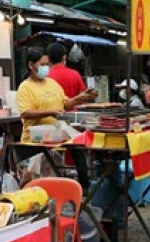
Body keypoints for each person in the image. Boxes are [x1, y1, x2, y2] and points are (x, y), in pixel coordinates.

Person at [44, 42, 98, 191]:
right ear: (64, 57)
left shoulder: (46, 77)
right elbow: (84, 97)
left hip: (50, 121)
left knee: (49, 154)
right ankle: (84, 186)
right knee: (78, 152)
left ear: (48, 58)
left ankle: (52, 185)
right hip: (73, 122)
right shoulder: (74, 74)